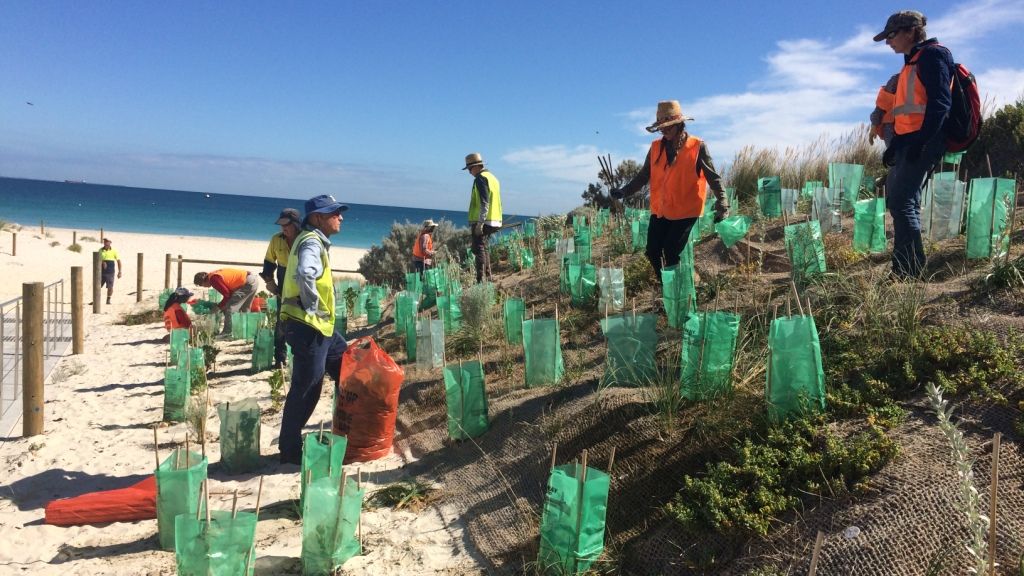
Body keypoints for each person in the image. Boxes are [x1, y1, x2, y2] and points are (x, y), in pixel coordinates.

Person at [611, 100, 730, 280]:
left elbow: (714, 177)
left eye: (668, 127)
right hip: (661, 210)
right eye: (661, 128)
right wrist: (623, 191)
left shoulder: (697, 146)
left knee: (671, 250)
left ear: (678, 124)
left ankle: (680, 291)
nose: (664, 131)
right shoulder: (655, 148)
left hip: (686, 210)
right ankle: (668, 286)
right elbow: (644, 176)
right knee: (652, 251)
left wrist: (723, 202)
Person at [875, 10, 952, 279]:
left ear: (911, 31)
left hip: (925, 141)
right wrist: (895, 146)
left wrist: (921, 142)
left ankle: (908, 270)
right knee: (902, 199)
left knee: (900, 201)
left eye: (891, 35)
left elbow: (940, 104)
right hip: (910, 142)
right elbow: (909, 112)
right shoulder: (912, 61)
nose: (888, 42)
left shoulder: (933, 55)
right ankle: (908, 267)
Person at [277, 194, 349, 465]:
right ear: (317, 218)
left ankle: (349, 427)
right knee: (307, 388)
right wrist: (312, 305)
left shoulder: (313, 240)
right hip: (308, 326)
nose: (340, 217)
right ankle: (290, 451)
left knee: (348, 368)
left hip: (322, 329)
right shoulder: (311, 242)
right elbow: (306, 273)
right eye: (335, 213)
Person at [261, 208, 301, 368]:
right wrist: (269, 281)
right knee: (282, 319)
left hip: (302, 279)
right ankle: (280, 357)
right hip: (283, 278)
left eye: (287, 224)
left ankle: (299, 356)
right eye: (281, 225)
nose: (283, 228)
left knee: (302, 319)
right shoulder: (276, 239)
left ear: (296, 224)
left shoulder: (306, 239)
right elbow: (269, 262)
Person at [464, 153, 502, 283]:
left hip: (483, 220)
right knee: (484, 247)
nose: (469, 172)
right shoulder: (493, 178)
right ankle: (488, 276)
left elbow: (485, 201)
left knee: (478, 248)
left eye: (470, 169)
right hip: (495, 220)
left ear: (477, 166)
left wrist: (480, 223)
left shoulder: (481, 178)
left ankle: (480, 280)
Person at [193, 268, 259, 335]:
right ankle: (245, 332)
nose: (204, 287)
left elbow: (227, 295)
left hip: (247, 283)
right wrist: (221, 305)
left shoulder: (213, 279)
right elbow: (230, 293)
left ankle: (227, 333)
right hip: (252, 280)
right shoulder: (213, 274)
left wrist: (218, 307)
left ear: (203, 281)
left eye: (201, 285)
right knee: (244, 308)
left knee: (230, 308)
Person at [869, 73, 900, 148]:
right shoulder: (897, 79)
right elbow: (881, 105)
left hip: (919, 132)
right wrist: (874, 125)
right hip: (892, 132)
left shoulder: (928, 77)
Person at [99, 238, 122, 305]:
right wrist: (103, 262)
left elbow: (118, 261)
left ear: (110, 242)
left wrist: (119, 272)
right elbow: (97, 259)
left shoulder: (114, 251)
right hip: (101, 272)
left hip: (110, 272)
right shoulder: (100, 250)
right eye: (104, 241)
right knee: (98, 286)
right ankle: (96, 299)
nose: (105, 242)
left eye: (107, 241)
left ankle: (108, 300)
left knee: (110, 287)